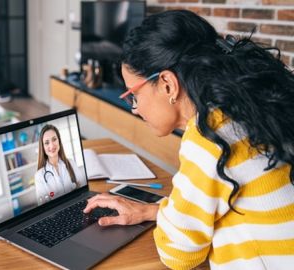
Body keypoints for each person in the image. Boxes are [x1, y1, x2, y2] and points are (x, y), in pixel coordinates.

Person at [83, 10, 294, 269]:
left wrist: (170, 219)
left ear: (168, 85)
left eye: (133, 96)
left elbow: (178, 256)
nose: (134, 109)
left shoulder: (210, 138)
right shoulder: (243, 111)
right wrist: (153, 211)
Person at [34, 124, 86, 204]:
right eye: (47, 143)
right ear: (43, 147)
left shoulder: (71, 163)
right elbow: (43, 207)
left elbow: (84, 191)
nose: (51, 145)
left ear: (59, 141)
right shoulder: (39, 176)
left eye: (54, 139)